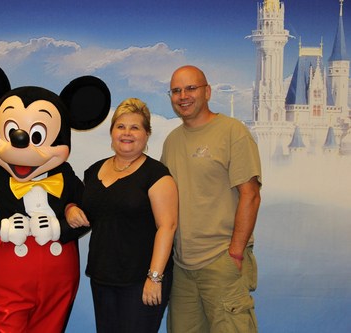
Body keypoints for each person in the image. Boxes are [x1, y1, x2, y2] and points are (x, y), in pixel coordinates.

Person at [161, 65, 262, 333]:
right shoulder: (171, 141)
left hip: (221, 260)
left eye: (191, 88)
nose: (183, 96)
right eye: (176, 90)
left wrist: (236, 253)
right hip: (182, 267)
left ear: (207, 91)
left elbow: (250, 195)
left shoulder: (232, 131)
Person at [66, 97, 178, 333]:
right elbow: (89, 214)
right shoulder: (94, 170)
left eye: (135, 127)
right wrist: (70, 209)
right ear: (112, 132)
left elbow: (167, 226)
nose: (127, 133)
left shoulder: (157, 174)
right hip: (103, 277)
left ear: (146, 134)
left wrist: (155, 278)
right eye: (121, 126)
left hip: (141, 280)